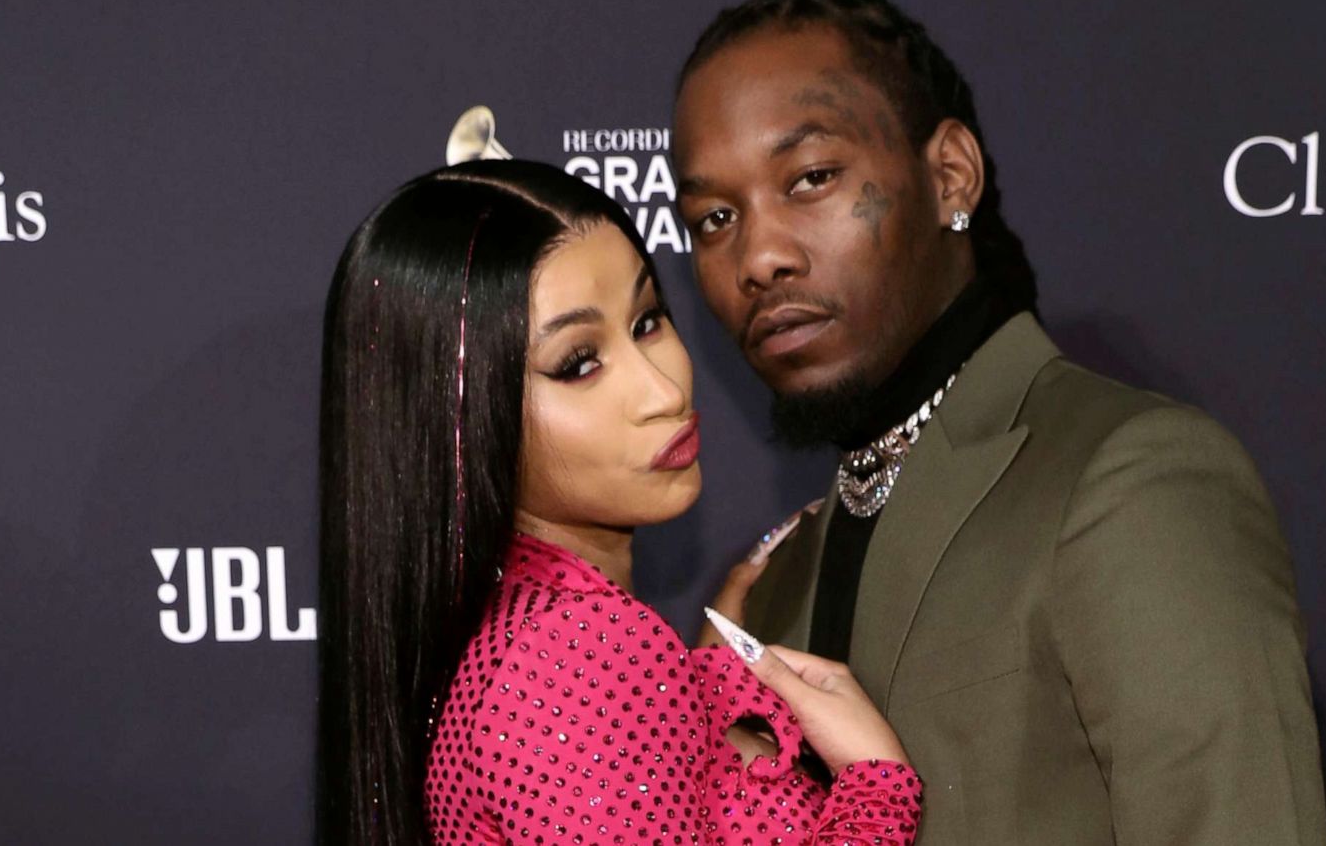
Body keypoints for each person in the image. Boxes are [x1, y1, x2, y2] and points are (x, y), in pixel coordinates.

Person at [674, 0, 1326, 844]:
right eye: (715, 217)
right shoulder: (777, 585)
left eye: (812, 177)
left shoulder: (1129, 480)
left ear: (950, 176)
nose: (758, 257)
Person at [314, 159, 923, 846]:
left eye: (647, 320)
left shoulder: (515, 640)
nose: (663, 390)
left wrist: (698, 695)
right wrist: (875, 792)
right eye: (579, 363)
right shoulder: (579, 654)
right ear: (455, 420)